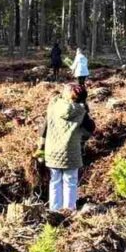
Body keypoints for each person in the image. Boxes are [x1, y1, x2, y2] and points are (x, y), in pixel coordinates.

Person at [38, 84, 89, 212]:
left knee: (55, 181)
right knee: (70, 181)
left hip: (52, 151)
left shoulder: (54, 106)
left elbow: (44, 128)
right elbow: (91, 128)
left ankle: (54, 211)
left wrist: (40, 147)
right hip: (71, 152)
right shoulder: (81, 111)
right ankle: (69, 211)